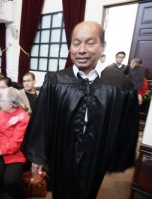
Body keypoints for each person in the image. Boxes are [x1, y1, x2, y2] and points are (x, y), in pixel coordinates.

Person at [21, 21, 139, 199]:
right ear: (70, 47)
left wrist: (117, 157)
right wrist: (38, 156)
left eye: (90, 43)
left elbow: (126, 126)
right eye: (76, 43)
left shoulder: (120, 85)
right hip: (61, 154)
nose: (82, 49)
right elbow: (42, 121)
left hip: (95, 155)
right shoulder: (56, 81)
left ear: (103, 47)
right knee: (60, 192)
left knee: (87, 193)